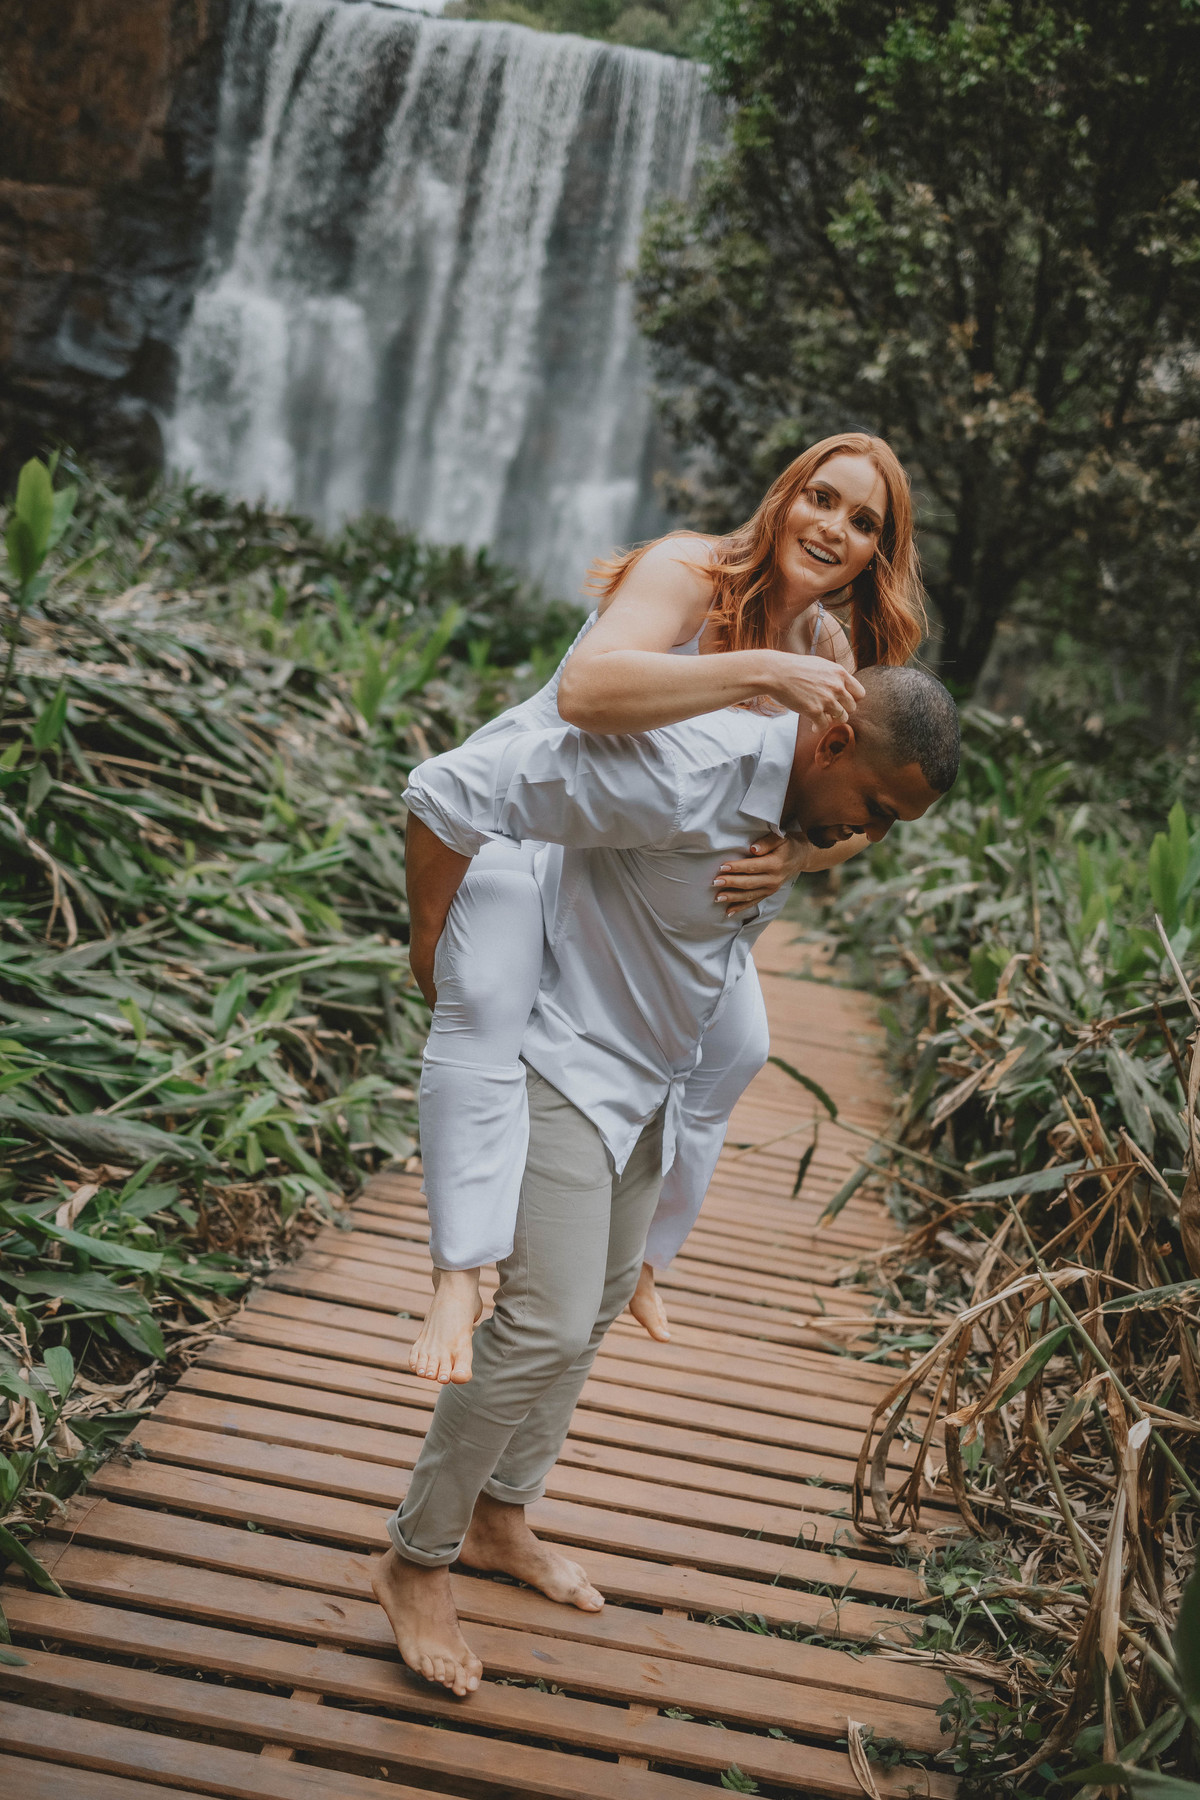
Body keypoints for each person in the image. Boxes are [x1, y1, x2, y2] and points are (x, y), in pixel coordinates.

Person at [376, 663, 961, 1696]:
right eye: (874, 808)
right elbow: (452, 787)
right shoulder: (684, 774)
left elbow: (843, 821)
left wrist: (803, 852)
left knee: (598, 1305)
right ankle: (415, 1558)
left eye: (892, 823)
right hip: (559, 1056)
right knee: (545, 1324)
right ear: (830, 745)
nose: (870, 834)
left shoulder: (804, 806)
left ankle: (500, 1518)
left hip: (652, 1078)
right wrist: (434, 945)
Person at [410, 432, 926, 1386]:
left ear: (875, 555)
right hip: (533, 822)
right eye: (822, 498)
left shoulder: (828, 648)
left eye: (863, 523)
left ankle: (647, 1256)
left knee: (739, 1046)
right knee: (482, 1000)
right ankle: (457, 1269)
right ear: (785, 496)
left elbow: (863, 807)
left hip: (639, 861)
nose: (834, 528)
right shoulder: (691, 570)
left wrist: (800, 854)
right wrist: (761, 672)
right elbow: (585, 693)